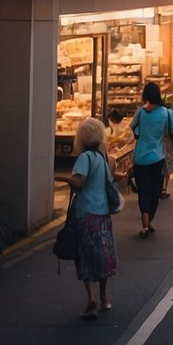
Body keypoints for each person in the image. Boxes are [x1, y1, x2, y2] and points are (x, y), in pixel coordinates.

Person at [54, 117, 117, 318]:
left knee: (85, 255)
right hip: (103, 214)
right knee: (103, 255)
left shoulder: (84, 158)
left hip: (86, 214)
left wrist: (61, 178)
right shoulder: (102, 157)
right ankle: (104, 297)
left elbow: (79, 183)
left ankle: (90, 297)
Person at [130, 83, 173, 239]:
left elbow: (133, 127)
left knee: (143, 191)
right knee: (156, 191)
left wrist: (140, 135)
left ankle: (145, 224)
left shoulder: (141, 112)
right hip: (157, 157)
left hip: (140, 158)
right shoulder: (166, 113)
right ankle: (149, 221)